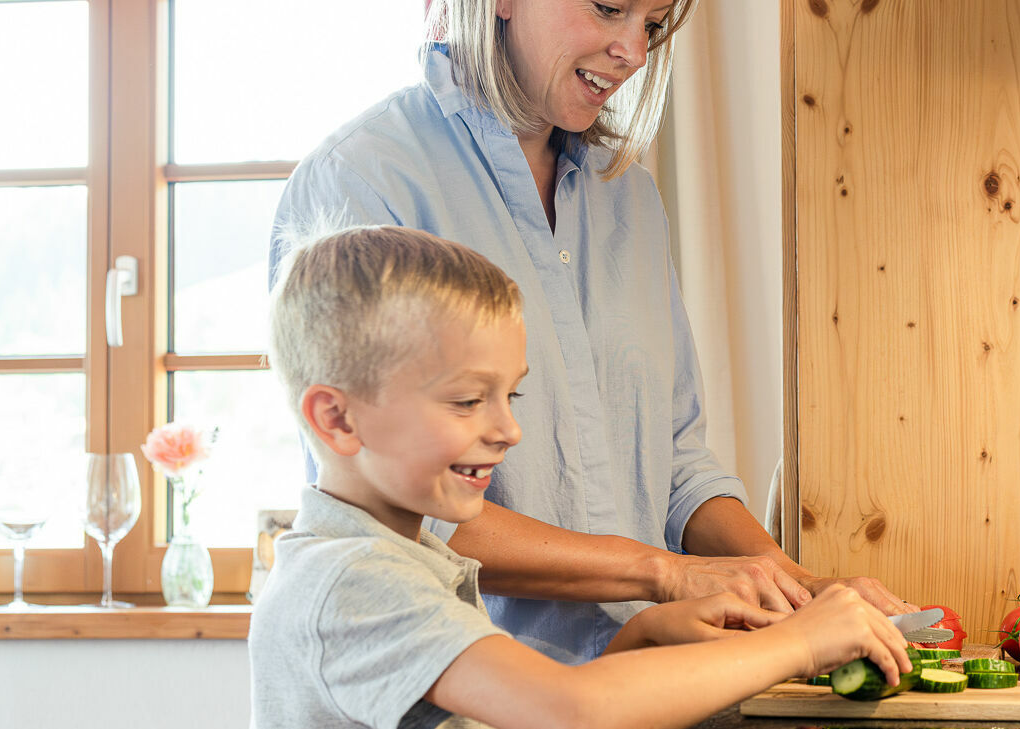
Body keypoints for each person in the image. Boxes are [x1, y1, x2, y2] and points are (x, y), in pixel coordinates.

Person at [271, 0, 915, 663]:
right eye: (610, 8)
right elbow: (402, 508)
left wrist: (799, 586)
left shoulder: (628, 195)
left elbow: (677, 464)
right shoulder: (364, 180)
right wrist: (661, 571)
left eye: (653, 27)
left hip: (645, 685)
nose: (635, 53)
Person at [250, 225, 911, 729]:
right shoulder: (351, 580)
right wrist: (801, 642)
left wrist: (644, 636)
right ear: (336, 418)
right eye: (467, 400)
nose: (507, 429)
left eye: (511, 396)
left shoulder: (406, 557)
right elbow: (570, 710)